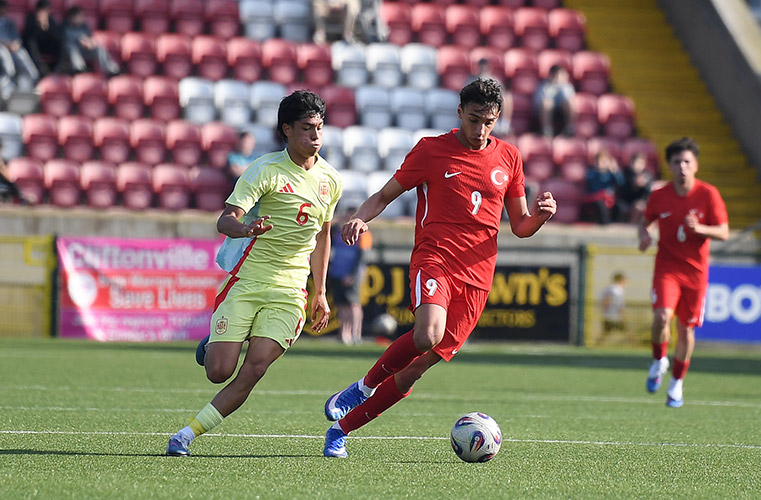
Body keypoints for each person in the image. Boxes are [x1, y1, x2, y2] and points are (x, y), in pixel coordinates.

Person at [321, 78, 557, 458]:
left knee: (415, 370)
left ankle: (341, 431)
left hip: (478, 278)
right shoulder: (431, 151)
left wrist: (541, 217)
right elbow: (385, 194)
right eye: (474, 119)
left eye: (489, 122)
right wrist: (362, 218)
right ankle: (362, 387)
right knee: (427, 333)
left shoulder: (509, 157)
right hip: (436, 259)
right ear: (460, 113)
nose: (480, 130)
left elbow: (520, 226)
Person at [166, 90, 343, 456]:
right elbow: (225, 220)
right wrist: (247, 228)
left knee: (254, 369)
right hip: (248, 281)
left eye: (320, 128)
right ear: (287, 130)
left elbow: (323, 235)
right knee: (218, 371)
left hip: (291, 291)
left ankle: (186, 435)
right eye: (308, 128)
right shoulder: (264, 170)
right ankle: (216, 345)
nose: (316, 136)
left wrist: (321, 291)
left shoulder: (331, 180)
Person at [639, 137, 728, 408]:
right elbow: (646, 222)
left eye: (687, 161)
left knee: (686, 329)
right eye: (677, 162)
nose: (682, 167)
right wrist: (644, 235)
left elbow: (723, 231)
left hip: (695, 273)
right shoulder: (659, 195)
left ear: (696, 165)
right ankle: (659, 360)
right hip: (667, 268)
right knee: (661, 318)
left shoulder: (708, 194)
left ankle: (677, 384)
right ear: (669, 166)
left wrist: (700, 229)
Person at [329, 206, 371, 345]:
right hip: (338, 271)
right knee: (341, 304)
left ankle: (356, 334)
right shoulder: (338, 231)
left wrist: (352, 274)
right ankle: (344, 333)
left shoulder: (363, 233)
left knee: (353, 304)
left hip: (352, 274)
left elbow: (362, 256)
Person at [61, 6, 119, 76]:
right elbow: (67, 41)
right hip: (69, 55)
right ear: (72, 17)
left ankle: (111, 70)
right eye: (79, 17)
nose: (82, 19)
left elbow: (90, 39)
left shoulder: (84, 26)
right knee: (70, 47)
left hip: (84, 50)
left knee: (100, 49)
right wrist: (80, 40)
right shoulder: (64, 27)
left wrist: (90, 43)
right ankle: (80, 69)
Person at [0, 0, 39, 94]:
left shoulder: (10, 22)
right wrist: (6, 45)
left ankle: (34, 78)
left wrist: (16, 44)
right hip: (2, 47)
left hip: (12, 48)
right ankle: (10, 81)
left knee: (21, 53)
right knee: (5, 56)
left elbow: (17, 37)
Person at [581, 149, 624, 225]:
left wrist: (616, 171)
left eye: (604, 162)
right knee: (601, 206)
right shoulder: (592, 173)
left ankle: (615, 224)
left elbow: (621, 183)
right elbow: (592, 185)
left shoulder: (611, 174)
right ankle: (605, 224)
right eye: (599, 162)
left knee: (619, 206)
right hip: (596, 198)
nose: (601, 164)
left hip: (609, 199)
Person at [534, 64, 576, 137]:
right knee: (546, 103)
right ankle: (546, 130)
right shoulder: (544, 85)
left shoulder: (567, 86)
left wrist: (561, 87)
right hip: (547, 113)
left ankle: (569, 128)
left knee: (570, 102)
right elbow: (538, 103)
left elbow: (569, 98)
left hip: (562, 113)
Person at [23, 0, 62, 76]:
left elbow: (56, 36)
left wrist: (47, 27)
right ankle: (40, 68)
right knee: (31, 41)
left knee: (61, 41)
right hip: (35, 46)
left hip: (47, 45)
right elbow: (28, 34)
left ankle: (58, 67)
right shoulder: (30, 18)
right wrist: (38, 25)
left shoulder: (50, 20)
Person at [618, 152, 654, 224]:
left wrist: (644, 185)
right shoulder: (626, 174)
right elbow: (622, 191)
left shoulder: (647, 175)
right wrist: (634, 185)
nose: (637, 166)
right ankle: (632, 225)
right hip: (628, 201)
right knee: (637, 207)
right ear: (631, 163)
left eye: (641, 163)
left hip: (642, 201)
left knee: (645, 207)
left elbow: (649, 192)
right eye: (635, 163)